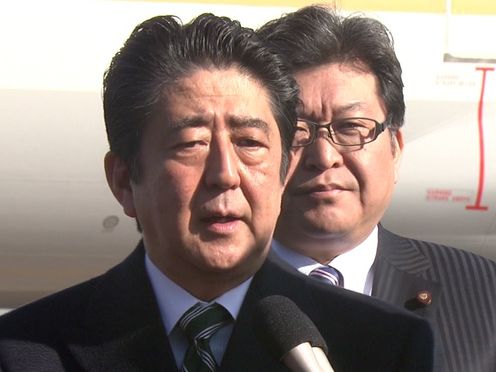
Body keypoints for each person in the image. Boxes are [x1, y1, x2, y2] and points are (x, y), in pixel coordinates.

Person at [0, 13, 434, 372]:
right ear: (123, 181)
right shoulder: (25, 351)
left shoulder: (382, 344)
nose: (225, 175)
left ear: (282, 174)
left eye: (249, 143)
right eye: (191, 144)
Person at [258, 5, 496, 372]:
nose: (324, 156)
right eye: (296, 131)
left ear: (395, 149)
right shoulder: (198, 301)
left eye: (352, 127)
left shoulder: (483, 292)